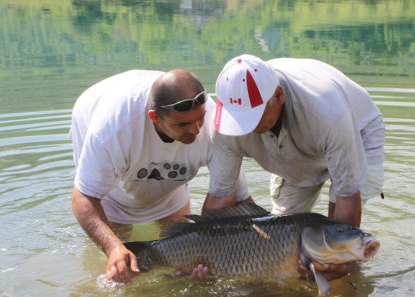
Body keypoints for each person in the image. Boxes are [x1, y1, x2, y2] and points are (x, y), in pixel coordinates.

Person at [203, 55, 385, 281]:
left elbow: (346, 194)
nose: (242, 127)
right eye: (237, 119)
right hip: (298, 143)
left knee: (335, 258)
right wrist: (202, 253)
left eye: (251, 118)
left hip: (357, 132)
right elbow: (221, 197)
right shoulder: (224, 123)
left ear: (278, 96)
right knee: (281, 241)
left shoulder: (328, 112)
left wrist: (341, 263)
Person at [70, 69, 250, 285]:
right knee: (120, 251)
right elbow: (84, 197)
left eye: (200, 118)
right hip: (111, 158)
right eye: (183, 124)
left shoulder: (214, 126)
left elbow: (234, 197)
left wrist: (209, 253)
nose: (195, 130)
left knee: (182, 243)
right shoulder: (111, 131)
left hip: (172, 178)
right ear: (155, 117)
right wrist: (113, 246)